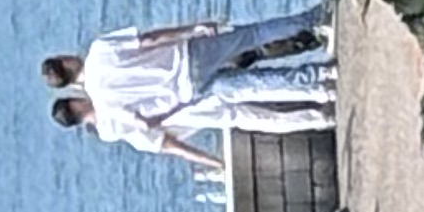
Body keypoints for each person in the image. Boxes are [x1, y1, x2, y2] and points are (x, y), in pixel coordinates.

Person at [42, 14, 335, 177]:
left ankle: (321, 93)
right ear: (66, 63)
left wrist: (173, 111)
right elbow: (150, 39)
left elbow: (149, 129)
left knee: (252, 87)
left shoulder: (107, 116)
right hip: (185, 56)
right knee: (253, 35)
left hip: (187, 92)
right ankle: (315, 20)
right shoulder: (98, 51)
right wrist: (192, 29)